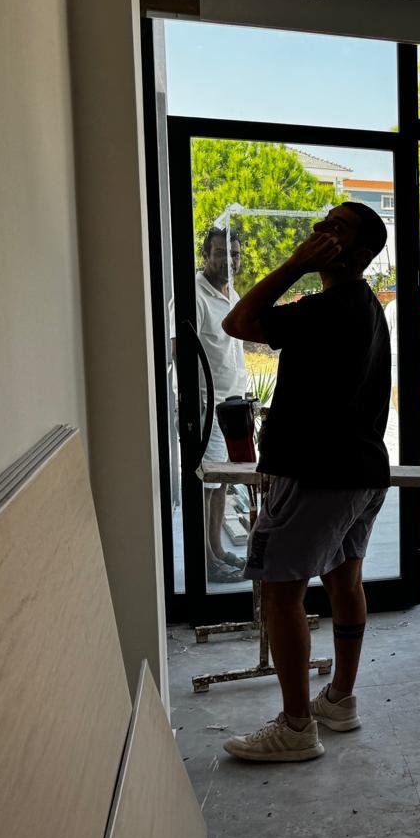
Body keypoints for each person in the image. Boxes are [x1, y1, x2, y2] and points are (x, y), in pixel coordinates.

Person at [218, 201, 393, 762]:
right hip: (361, 473)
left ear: (361, 253)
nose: (321, 232)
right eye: (322, 223)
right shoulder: (366, 306)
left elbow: (238, 323)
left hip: (316, 474)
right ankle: (339, 700)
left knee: (280, 592)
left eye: (336, 228)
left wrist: (295, 263)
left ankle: (296, 728)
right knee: (344, 580)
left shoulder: (330, 307)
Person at [193, 227, 249, 582]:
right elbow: (179, 349)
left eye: (235, 253)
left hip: (231, 405)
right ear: (205, 255)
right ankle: (207, 561)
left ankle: (215, 549)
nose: (229, 260)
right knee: (207, 485)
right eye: (220, 253)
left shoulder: (232, 294)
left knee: (222, 482)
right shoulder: (194, 295)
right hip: (207, 406)